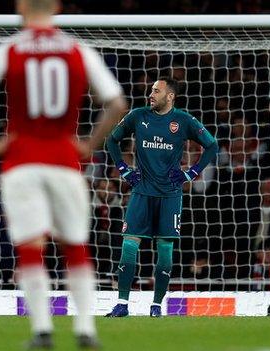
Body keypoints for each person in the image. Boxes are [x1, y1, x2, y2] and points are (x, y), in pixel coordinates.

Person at [0, 0, 128, 348]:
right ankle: (85, 330)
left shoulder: (9, 49)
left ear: (21, 5)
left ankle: (42, 331)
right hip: (65, 160)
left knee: (30, 247)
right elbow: (116, 103)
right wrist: (88, 144)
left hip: (21, 162)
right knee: (75, 246)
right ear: (56, 6)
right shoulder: (78, 49)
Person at [105, 77, 218, 317]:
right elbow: (111, 140)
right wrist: (125, 170)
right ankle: (122, 304)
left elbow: (212, 145)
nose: (151, 94)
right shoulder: (138, 116)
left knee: (165, 250)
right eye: (151, 90)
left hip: (170, 194)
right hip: (141, 191)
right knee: (128, 245)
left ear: (170, 96)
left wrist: (192, 174)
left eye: (157, 91)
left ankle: (156, 307)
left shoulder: (184, 121)